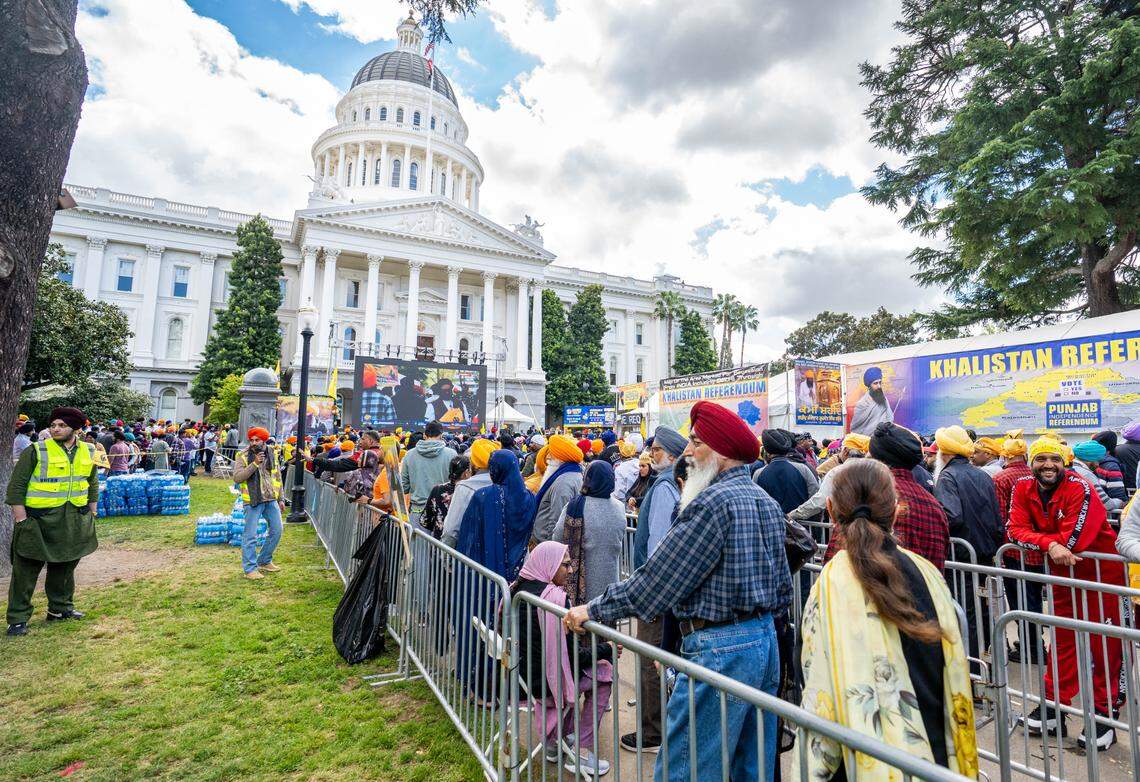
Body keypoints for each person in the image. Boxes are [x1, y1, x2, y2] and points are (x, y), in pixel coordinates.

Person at [566, 402, 791, 780]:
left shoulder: (712, 503)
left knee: (685, 768)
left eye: (697, 443)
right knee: (750, 768)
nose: (687, 451)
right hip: (763, 643)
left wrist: (594, 609)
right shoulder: (764, 502)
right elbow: (783, 586)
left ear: (720, 454)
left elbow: (658, 580)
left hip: (721, 650)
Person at [794, 458, 979, 781]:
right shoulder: (928, 573)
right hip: (938, 754)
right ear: (895, 510)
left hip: (862, 759)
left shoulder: (832, 582)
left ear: (830, 509)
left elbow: (816, 685)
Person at [1008, 437, 1126, 750]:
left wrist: (1049, 542)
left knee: (1105, 647)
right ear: (1032, 462)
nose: (1048, 465)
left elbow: (1074, 539)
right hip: (1061, 576)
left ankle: (1105, 715)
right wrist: (1050, 544)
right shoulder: (1023, 487)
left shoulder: (1079, 486)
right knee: (1060, 643)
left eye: (1055, 459)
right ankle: (1053, 707)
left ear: (1066, 462)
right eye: (1041, 458)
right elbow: (1013, 530)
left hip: (1102, 578)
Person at [512, 542, 614, 777]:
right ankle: (581, 750)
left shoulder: (515, 591)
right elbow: (573, 659)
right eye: (565, 564)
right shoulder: (556, 601)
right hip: (548, 685)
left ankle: (554, 743)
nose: (570, 570)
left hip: (521, 680)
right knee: (604, 674)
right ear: (549, 565)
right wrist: (606, 649)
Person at [5, 408, 100, 637]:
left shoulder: (89, 450)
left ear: (75, 429)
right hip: (38, 520)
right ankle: (17, 619)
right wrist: (21, 518)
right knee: (25, 571)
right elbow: (16, 487)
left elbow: (92, 481)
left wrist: (92, 511)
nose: (56, 429)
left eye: (62, 425)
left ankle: (60, 609)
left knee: (65, 567)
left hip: (73, 519)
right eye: (53, 425)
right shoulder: (36, 450)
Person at [454, 450, 536, 704]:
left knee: (483, 630)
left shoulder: (483, 497)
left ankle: (482, 691)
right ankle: (510, 687)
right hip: (517, 577)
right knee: (510, 632)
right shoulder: (529, 499)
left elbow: (466, 539)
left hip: (484, 577)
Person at [824, 422, 950, 570]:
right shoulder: (934, 506)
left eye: (868, 454)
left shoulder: (867, 496)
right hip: (927, 591)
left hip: (869, 592)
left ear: (876, 458)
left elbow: (835, 566)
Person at [553, 460, 626, 606]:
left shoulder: (575, 506)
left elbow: (558, 536)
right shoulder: (619, 507)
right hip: (610, 581)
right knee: (604, 625)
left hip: (582, 582)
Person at [231, 427, 285, 580]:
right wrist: (254, 464)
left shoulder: (272, 453)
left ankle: (264, 560)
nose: (254, 443)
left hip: (271, 499)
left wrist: (281, 498)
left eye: (257, 440)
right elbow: (237, 478)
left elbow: (278, 476)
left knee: (277, 530)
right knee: (250, 536)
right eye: (251, 440)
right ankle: (250, 569)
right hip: (252, 501)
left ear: (264, 440)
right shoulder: (242, 455)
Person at [788, 433, 869, 522]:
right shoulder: (877, 472)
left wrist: (793, 514)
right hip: (875, 529)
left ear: (845, 451)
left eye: (840, 450)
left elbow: (819, 502)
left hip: (846, 527)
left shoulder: (837, 473)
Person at [441, 439, 499, 547]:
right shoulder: (506, 485)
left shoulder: (464, 488)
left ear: (474, 464)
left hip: (470, 553)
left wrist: (445, 557)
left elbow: (451, 531)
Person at [400, 421, 458, 526]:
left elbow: (403, 487)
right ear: (441, 435)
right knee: (439, 542)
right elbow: (455, 484)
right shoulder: (452, 454)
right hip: (443, 511)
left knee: (417, 542)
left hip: (417, 512)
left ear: (424, 435)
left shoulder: (409, 455)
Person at [531, 435, 585, 545]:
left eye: (551, 454)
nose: (548, 458)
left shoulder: (563, 481)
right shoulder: (570, 474)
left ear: (559, 458)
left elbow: (557, 518)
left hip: (548, 543)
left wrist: (551, 546)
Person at [755, 428, 818, 514]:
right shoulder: (802, 468)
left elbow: (755, 501)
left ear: (767, 451)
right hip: (800, 524)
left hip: (771, 524)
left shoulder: (758, 474)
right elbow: (814, 494)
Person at [422, 455, 470, 539]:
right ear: (465, 473)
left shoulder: (437, 489)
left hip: (439, 543)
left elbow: (426, 520)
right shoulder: (468, 492)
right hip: (460, 543)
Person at [1071, 441, 1126, 512]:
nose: (1098, 465)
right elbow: (1106, 504)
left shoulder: (1069, 469)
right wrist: (1120, 502)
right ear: (1090, 459)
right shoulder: (1087, 475)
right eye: (1098, 461)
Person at [849, 366, 893, 435]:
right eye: (875, 383)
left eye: (880, 382)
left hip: (885, 437)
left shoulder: (883, 399)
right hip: (868, 441)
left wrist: (886, 426)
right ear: (869, 385)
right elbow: (855, 428)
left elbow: (889, 417)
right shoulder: (861, 404)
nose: (879, 386)